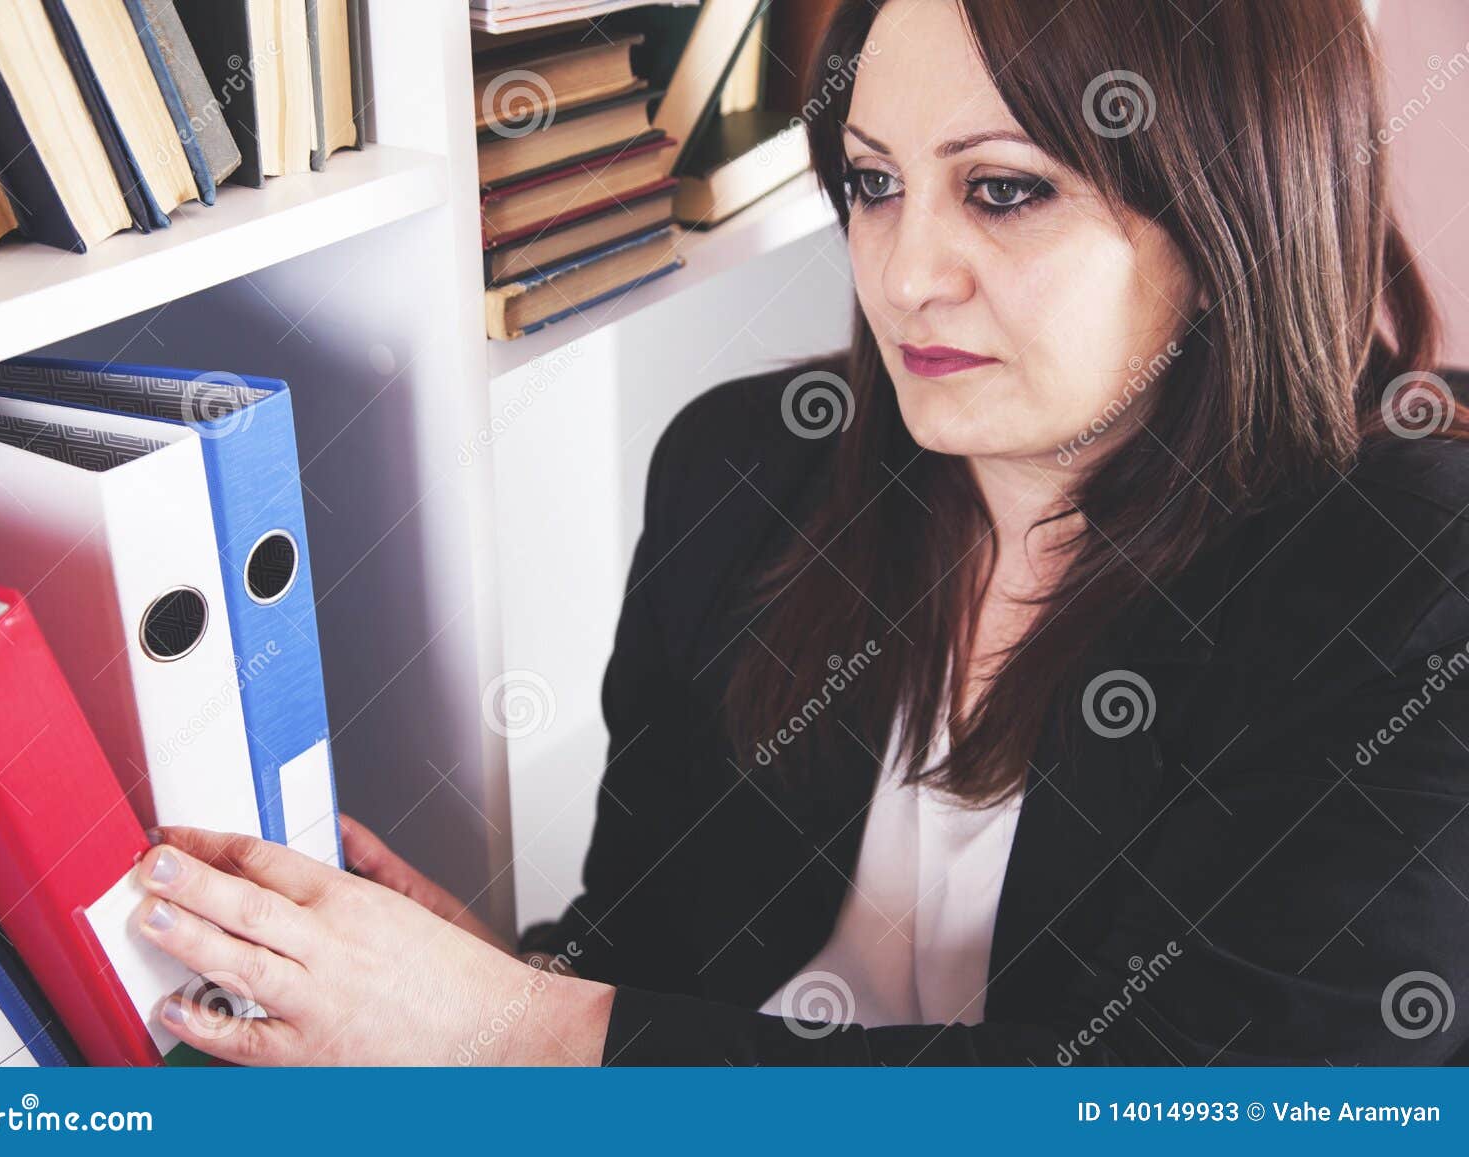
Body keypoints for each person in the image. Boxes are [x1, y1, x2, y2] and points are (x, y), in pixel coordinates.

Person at [134, 0, 1469, 1065]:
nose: (904, 274)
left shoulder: (1411, 586)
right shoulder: (742, 476)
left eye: (1004, 190)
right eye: (875, 183)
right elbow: (648, 952)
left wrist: (516, 1033)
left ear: (1236, 211)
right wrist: (477, 984)